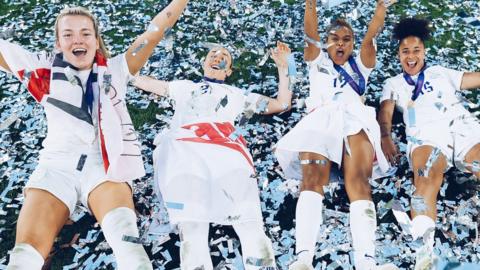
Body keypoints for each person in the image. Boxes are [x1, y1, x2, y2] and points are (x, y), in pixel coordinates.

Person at [0, 1, 189, 269]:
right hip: (55, 167)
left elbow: (154, 32)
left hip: (104, 166)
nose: (77, 40)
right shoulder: (41, 71)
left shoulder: (116, 70)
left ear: (96, 40)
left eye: (85, 33)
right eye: (68, 34)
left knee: (130, 248)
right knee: (23, 258)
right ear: (58, 43)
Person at [133, 41, 292, 270]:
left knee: (250, 224)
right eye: (212, 54)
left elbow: (282, 104)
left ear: (229, 71)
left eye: (224, 55)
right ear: (203, 64)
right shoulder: (184, 87)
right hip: (185, 151)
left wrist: (284, 68)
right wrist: (123, 69)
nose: (217, 56)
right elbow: (143, 81)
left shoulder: (239, 95)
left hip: (227, 151)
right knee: (192, 227)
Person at [274, 0, 399, 269]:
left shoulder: (362, 65)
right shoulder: (316, 60)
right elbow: (310, 34)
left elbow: (370, 38)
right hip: (321, 118)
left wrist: (380, 11)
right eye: (334, 39)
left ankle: (366, 261)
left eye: (346, 39)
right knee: (311, 180)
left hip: (355, 120)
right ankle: (303, 258)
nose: (340, 44)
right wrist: (310, 5)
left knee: (359, 185)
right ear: (326, 42)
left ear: (352, 44)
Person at [378, 17, 480, 270]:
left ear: (424, 52)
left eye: (416, 50)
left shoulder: (440, 73)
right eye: (405, 51)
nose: (411, 56)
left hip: (462, 126)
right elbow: (385, 113)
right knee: (424, 178)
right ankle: (424, 254)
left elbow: (473, 79)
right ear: (398, 54)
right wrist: (385, 137)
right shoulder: (393, 83)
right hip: (426, 135)